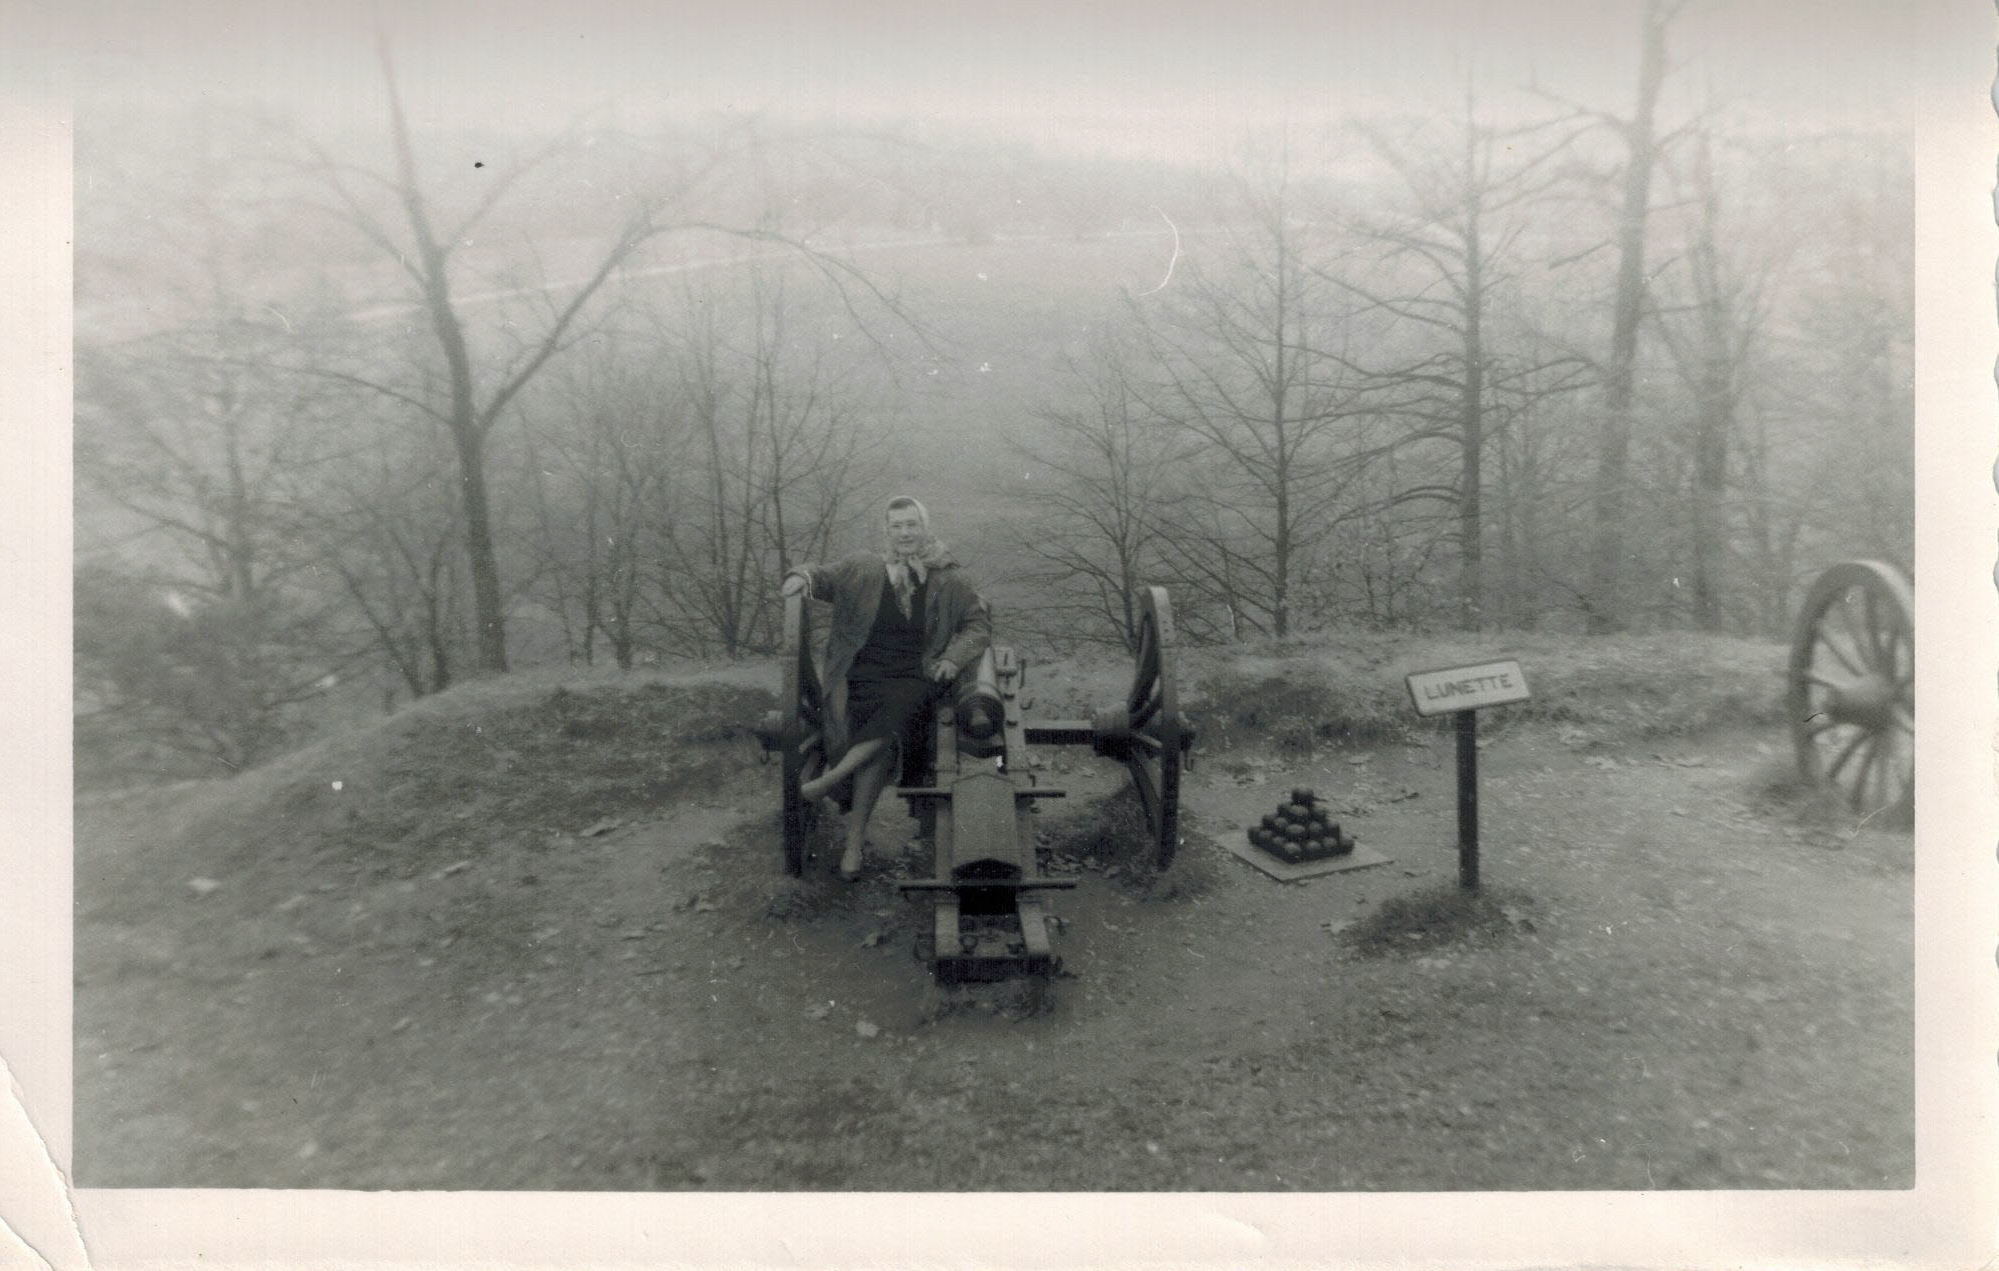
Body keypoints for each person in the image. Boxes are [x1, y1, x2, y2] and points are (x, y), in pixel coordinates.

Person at [780, 496, 991, 880]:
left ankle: (832, 786)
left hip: (917, 674)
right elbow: (822, 576)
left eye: (912, 525)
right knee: (882, 745)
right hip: (863, 674)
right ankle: (853, 843)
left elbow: (978, 625)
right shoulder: (863, 567)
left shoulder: (949, 577)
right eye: (897, 526)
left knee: (895, 714)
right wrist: (799, 577)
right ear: (887, 531)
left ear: (924, 528)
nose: (905, 533)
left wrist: (953, 658)